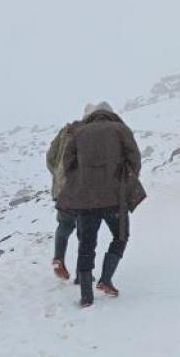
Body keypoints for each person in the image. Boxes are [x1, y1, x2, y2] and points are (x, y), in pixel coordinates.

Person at [58, 101, 142, 307]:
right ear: (110, 114)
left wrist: (81, 181)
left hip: (86, 200)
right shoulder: (121, 130)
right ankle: (105, 279)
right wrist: (126, 180)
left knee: (87, 244)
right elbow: (135, 159)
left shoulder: (79, 133)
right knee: (121, 236)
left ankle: (86, 296)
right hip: (115, 198)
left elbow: (67, 164)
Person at [45, 117, 81, 280]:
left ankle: (58, 258)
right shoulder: (89, 133)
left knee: (64, 224)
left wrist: (58, 175)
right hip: (80, 189)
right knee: (85, 229)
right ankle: (83, 271)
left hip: (61, 189)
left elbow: (50, 157)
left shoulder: (65, 131)